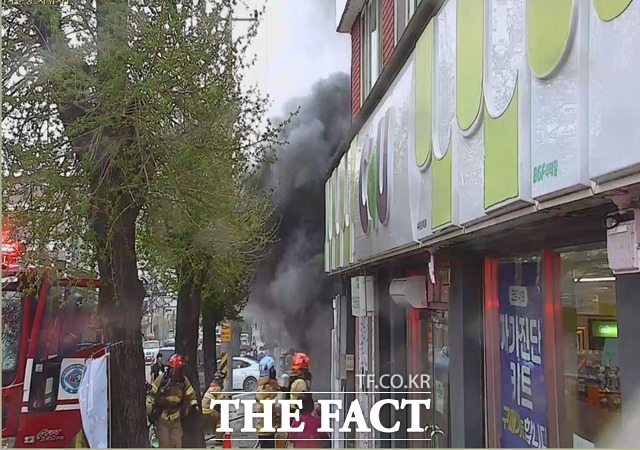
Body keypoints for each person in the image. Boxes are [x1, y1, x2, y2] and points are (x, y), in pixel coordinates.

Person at [147, 354, 199, 448]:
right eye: (175, 369)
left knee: (176, 444)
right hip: (162, 418)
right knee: (165, 445)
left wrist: (194, 405)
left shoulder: (183, 381)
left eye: (179, 369)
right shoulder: (162, 379)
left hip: (176, 418)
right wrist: (149, 409)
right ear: (171, 368)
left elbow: (191, 394)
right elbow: (151, 394)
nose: (176, 372)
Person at [255, 355, 284, 448]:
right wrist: (279, 400)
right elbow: (267, 406)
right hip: (266, 431)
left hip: (271, 428)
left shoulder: (271, 385)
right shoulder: (263, 389)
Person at [201, 371, 225, 439]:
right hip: (208, 411)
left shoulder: (211, 387)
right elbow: (222, 403)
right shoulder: (217, 388)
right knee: (222, 420)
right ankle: (219, 438)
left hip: (203, 411)